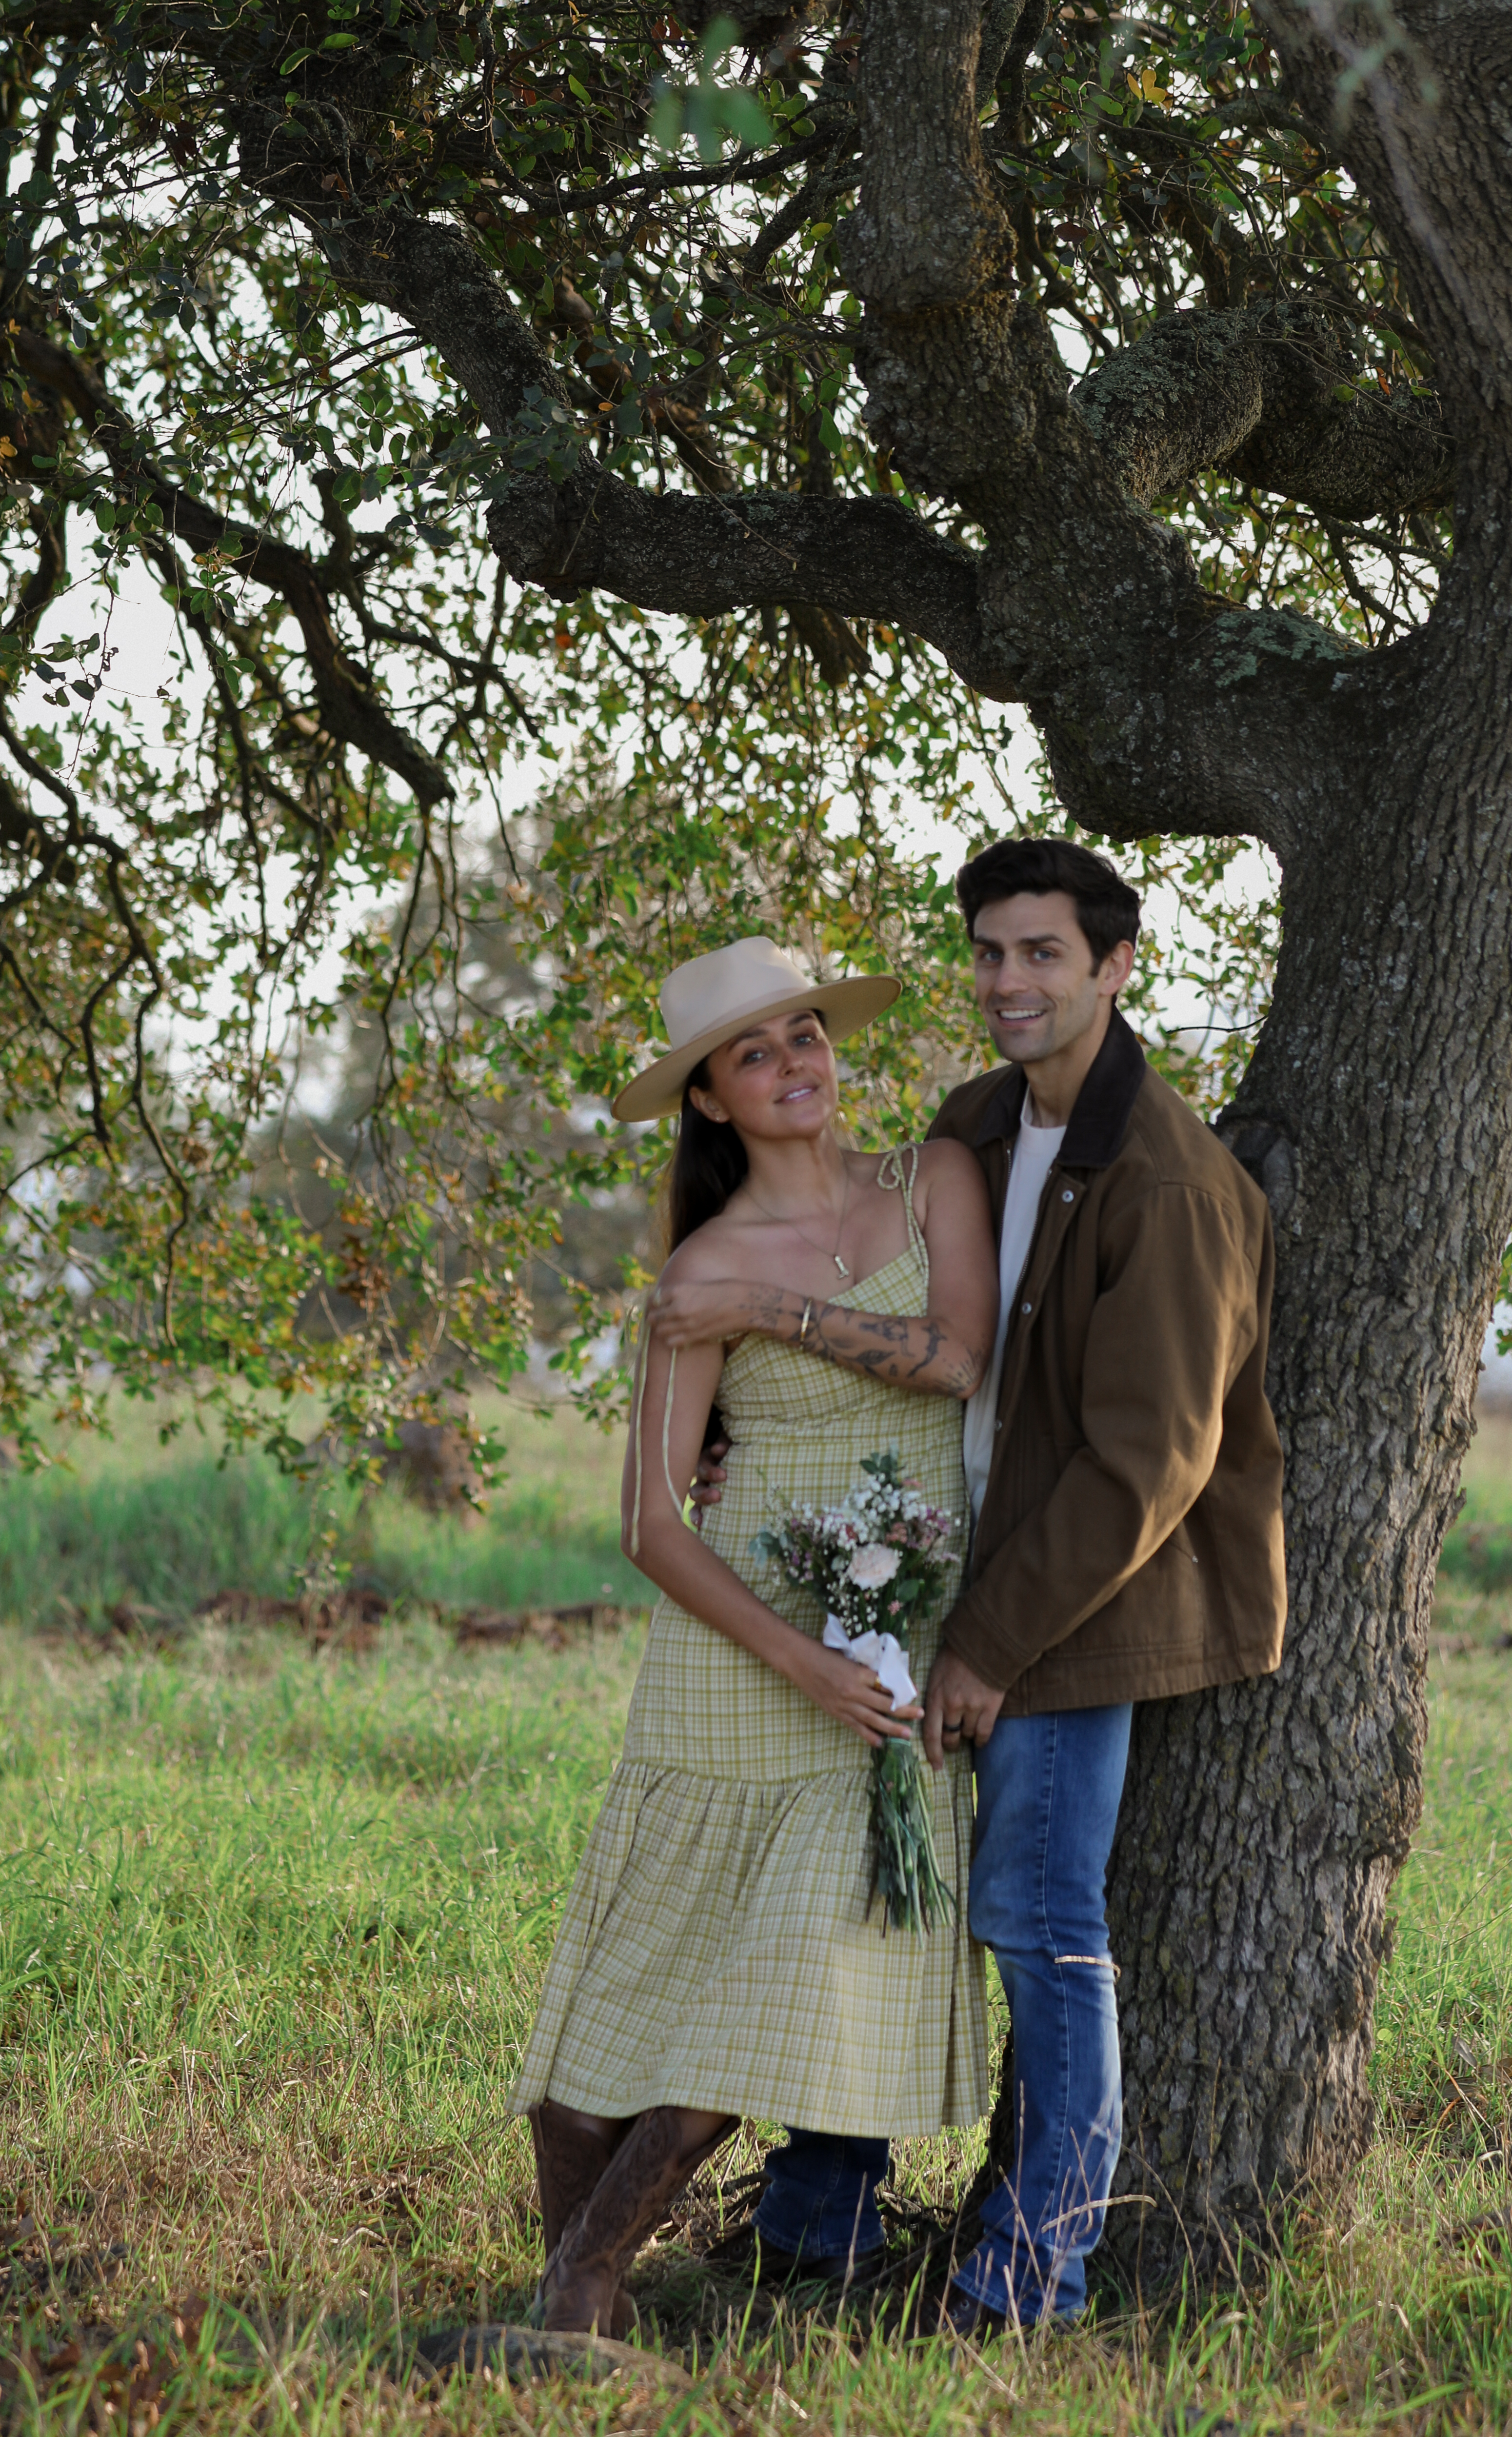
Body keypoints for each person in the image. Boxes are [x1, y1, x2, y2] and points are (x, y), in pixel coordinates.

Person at [732, 839, 1286, 2332]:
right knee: (871, 1892)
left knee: (1038, 1921)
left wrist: (983, 1646)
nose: (1008, 983)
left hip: (1074, 1615)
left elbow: (1145, 1467)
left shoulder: (1171, 1183)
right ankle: (814, 2228)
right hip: (928, 1577)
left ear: (1115, 966)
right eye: (988, 953)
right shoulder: (977, 1124)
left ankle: (1032, 2277)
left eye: (1042, 953)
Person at [509, 934, 998, 2337]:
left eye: (805, 1036)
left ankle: (583, 2282)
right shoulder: (697, 1268)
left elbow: (959, 1356)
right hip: (745, 1658)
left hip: (897, 1644)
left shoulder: (930, 1182)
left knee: (801, 1952)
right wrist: (806, 1666)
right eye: (754, 1053)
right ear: (711, 1100)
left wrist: (774, 1314)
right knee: (643, 1971)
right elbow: (655, 1523)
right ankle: (575, 2296)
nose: (793, 1065)